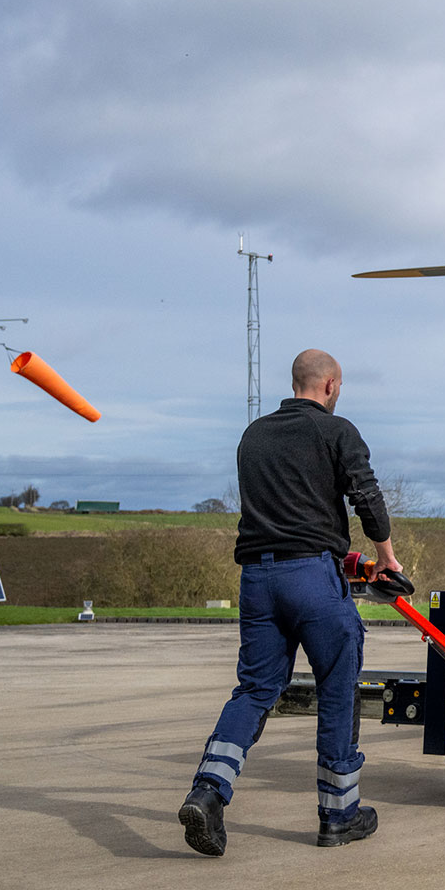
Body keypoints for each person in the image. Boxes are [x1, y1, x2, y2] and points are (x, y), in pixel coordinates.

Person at [179, 349, 401, 856]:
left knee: (255, 690)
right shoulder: (336, 430)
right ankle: (338, 815)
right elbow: (365, 496)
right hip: (313, 579)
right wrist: (386, 557)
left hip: (257, 578)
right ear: (330, 385)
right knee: (338, 689)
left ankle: (208, 792)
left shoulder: (253, 435)